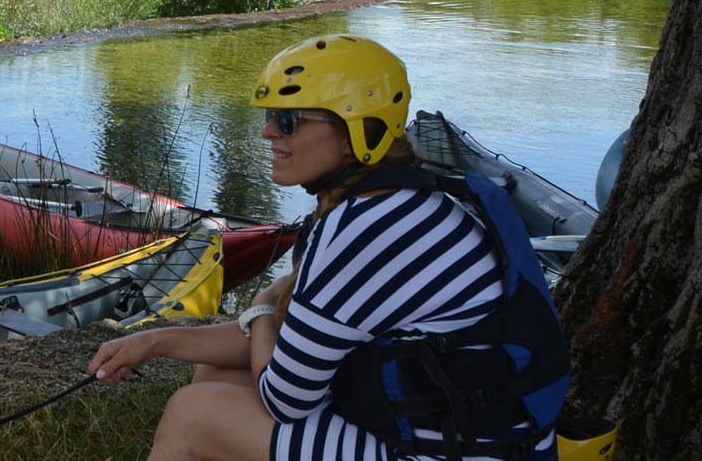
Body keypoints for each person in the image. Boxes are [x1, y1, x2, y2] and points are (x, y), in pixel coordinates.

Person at [87, 34, 570, 460]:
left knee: (193, 414)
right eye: (271, 116)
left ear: (356, 132)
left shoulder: (367, 228)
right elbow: (290, 344)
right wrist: (152, 341)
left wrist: (258, 310)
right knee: (219, 376)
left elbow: (284, 397)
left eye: (288, 119)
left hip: (451, 453)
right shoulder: (399, 201)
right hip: (464, 439)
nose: (268, 132)